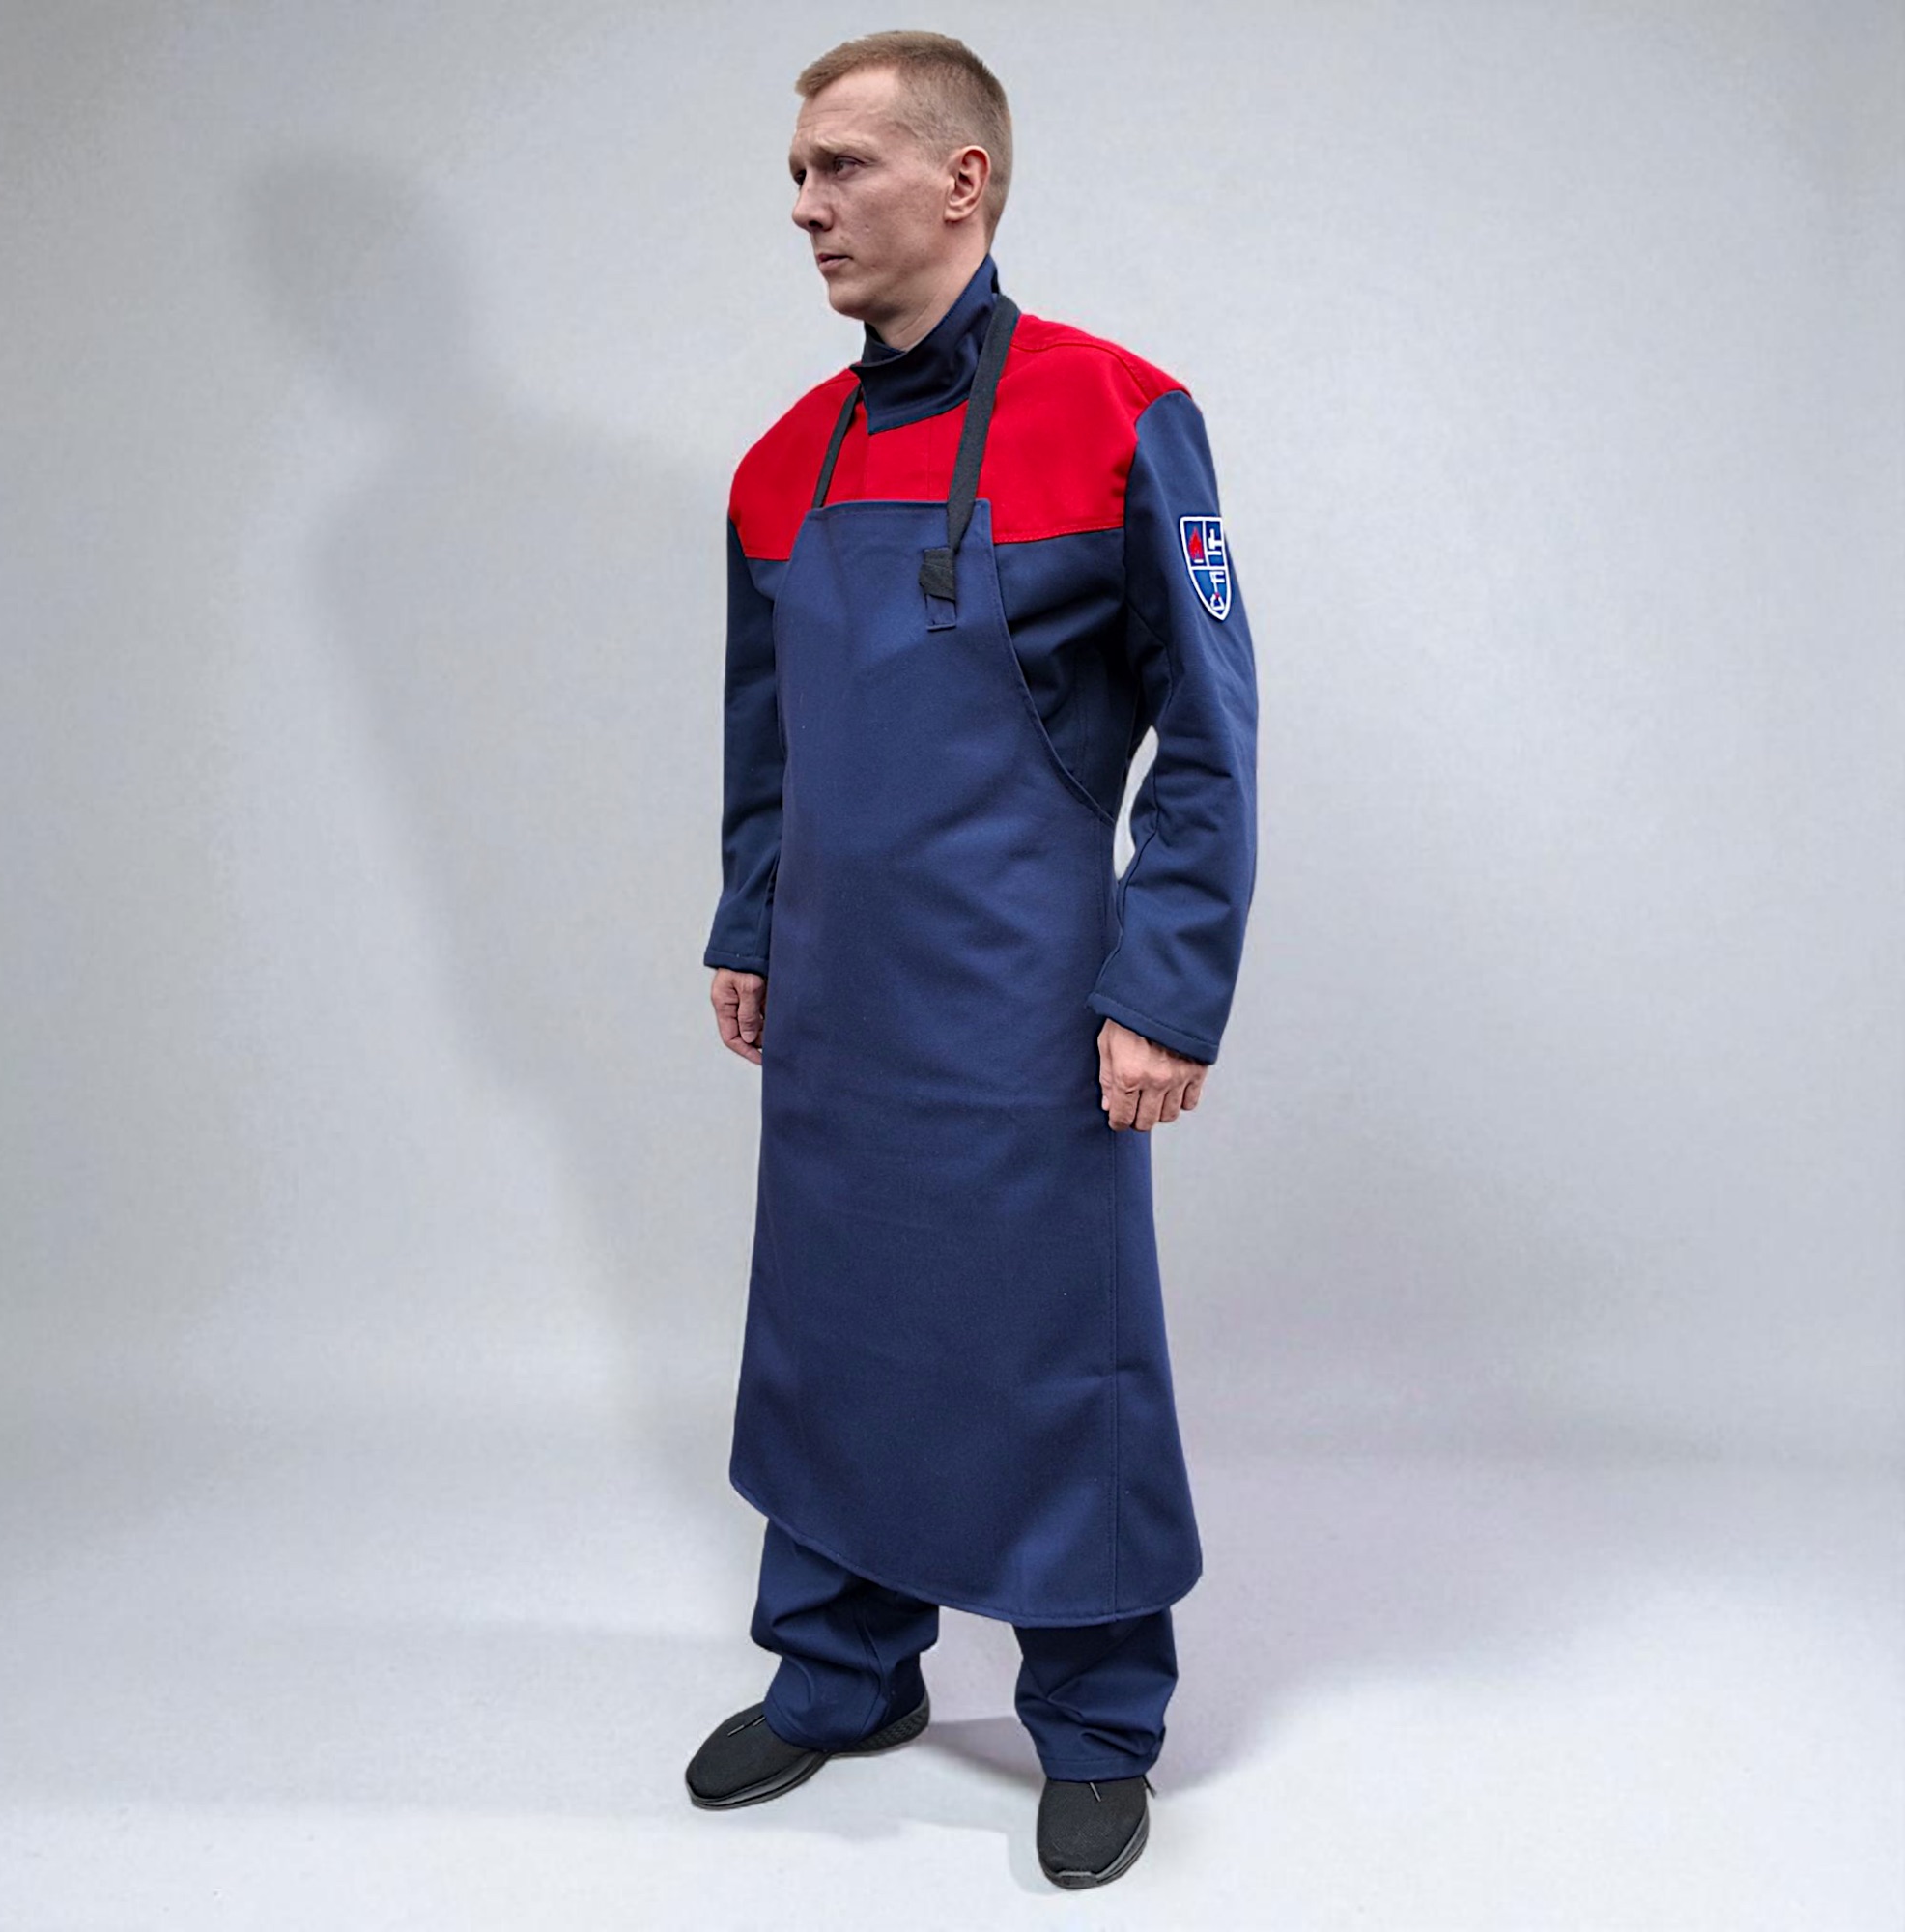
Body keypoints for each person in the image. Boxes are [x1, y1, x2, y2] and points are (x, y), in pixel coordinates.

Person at [684, 30, 1258, 1890]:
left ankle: (1093, 1720)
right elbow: (763, 738)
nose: (805, 205)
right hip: (837, 988)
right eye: (797, 172)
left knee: (1050, 1346)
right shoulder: (780, 464)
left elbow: (1212, 732)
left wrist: (1165, 984)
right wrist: (750, 921)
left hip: (1028, 993)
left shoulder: (1120, 413)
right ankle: (841, 1669)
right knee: (833, 1327)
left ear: (963, 181)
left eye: (841, 165)